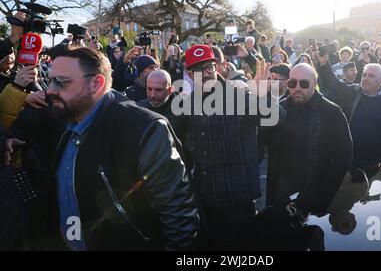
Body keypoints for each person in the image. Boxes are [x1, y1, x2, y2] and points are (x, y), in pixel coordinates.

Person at [6, 45, 198, 250]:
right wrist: (9, 138)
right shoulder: (64, 112)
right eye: (49, 80)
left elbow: (179, 217)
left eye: (61, 82)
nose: (50, 90)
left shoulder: (145, 129)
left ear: (96, 84)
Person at [177, 44, 278, 250]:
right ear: (189, 73)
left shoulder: (238, 94)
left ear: (217, 67)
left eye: (208, 67)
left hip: (236, 202)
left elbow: (276, 117)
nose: (205, 74)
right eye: (197, 70)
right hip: (205, 200)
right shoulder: (189, 102)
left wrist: (260, 96)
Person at [266, 63, 353, 207]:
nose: (298, 88)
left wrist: (324, 193)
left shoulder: (331, 112)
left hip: (315, 198)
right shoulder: (281, 108)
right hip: (281, 195)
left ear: (314, 84)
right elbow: (262, 139)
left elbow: (343, 159)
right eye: (293, 83)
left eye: (304, 83)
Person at [318, 53, 381, 168]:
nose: (365, 78)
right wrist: (324, 64)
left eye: (371, 76)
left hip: (380, 163)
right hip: (351, 159)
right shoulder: (352, 92)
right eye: (364, 75)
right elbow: (333, 85)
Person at [138, 69, 181, 137]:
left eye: (158, 90)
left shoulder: (183, 111)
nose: (153, 95)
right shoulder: (140, 107)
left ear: (170, 90)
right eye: (149, 89)